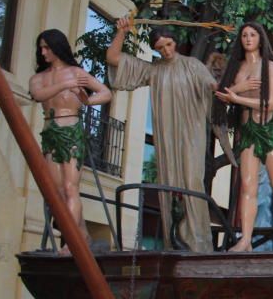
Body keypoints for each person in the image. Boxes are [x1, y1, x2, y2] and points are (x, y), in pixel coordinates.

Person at [107, 18, 216, 252]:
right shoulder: (153, 70)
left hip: (192, 133)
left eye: (168, 44)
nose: (166, 51)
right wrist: (121, 33)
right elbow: (114, 59)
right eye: (160, 48)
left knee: (192, 178)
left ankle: (198, 241)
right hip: (167, 137)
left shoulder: (193, 65)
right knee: (169, 182)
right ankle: (173, 238)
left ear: (175, 42)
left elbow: (212, 87)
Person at [29, 29, 112, 254]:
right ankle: (82, 234)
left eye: (46, 47)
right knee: (56, 192)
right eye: (41, 47)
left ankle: (71, 242)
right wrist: (66, 86)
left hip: (70, 130)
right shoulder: (39, 78)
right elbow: (38, 95)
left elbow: (106, 93)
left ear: (57, 47)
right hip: (50, 132)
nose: (43, 51)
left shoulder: (76, 72)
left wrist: (87, 101)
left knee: (69, 187)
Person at [214, 22, 273, 251]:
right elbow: (221, 94)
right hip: (248, 131)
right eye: (244, 35)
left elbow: (270, 104)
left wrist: (236, 98)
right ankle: (246, 239)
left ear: (260, 38)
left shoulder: (270, 67)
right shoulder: (237, 68)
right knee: (248, 186)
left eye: (252, 34)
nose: (248, 39)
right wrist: (241, 87)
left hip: (269, 132)